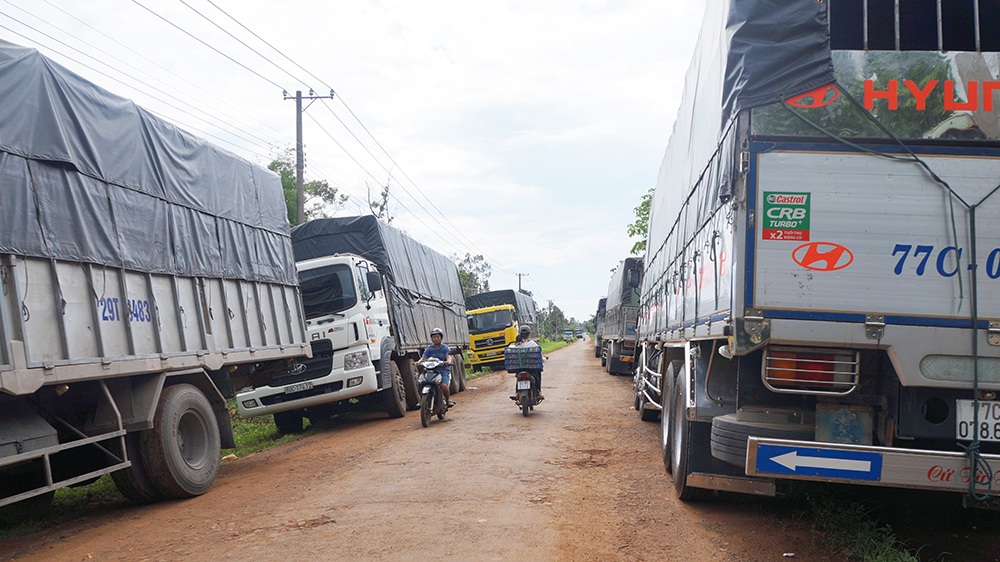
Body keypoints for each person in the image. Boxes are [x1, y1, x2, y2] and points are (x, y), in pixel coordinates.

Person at [418, 327, 454, 408]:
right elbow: (423, 358)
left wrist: (448, 361)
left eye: (437, 337)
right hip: (431, 370)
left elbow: (448, 356)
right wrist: (419, 362)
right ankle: (421, 400)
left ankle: (448, 400)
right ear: (432, 339)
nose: (436, 339)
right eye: (434, 337)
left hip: (443, 370)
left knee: (444, 385)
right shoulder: (429, 349)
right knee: (421, 382)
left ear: (441, 338)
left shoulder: (445, 347)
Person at [511, 324, 543, 400]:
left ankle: (516, 392)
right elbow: (538, 355)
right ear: (529, 334)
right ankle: (538, 392)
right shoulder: (532, 344)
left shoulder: (516, 345)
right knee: (538, 374)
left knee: (518, 376)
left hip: (519, 367)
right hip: (531, 368)